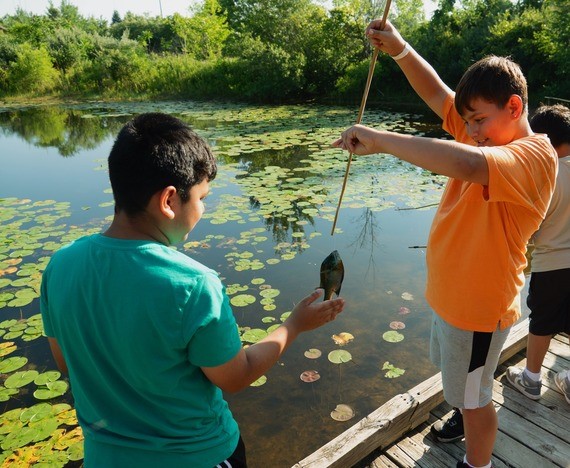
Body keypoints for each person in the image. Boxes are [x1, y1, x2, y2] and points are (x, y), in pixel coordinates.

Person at [40, 112, 345, 468]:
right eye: (202, 198)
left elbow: (65, 363)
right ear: (169, 200)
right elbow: (235, 375)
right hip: (199, 458)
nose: (202, 210)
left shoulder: (60, 266)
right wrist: (294, 325)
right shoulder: (193, 284)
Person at [333, 20, 557, 468]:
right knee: (463, 388)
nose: (471, 130)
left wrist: (381, 140)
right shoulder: (487, 134)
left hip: (476, 310)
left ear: (514, 107)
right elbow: (437, 93)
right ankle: (463, 409)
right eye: (468, 120)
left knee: (476, 399)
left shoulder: (534, 156)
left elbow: (467, 163)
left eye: (479, 120)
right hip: (451, 302)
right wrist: (400, 50)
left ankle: (477, 463)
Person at [506, 104, 570, 405]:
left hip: (552, 264)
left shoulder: (549, 176)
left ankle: (531, 379)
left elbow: (531, 226)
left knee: (542, 321)